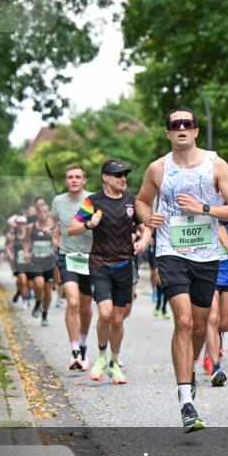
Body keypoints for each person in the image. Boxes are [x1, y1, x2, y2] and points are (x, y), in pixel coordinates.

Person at [135, 107, 228, 433]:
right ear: (168, 132)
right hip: (170, 252)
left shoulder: (216, 164)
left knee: (199, 327)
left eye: (187, 124)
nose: (181, 129)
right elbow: (142, 200)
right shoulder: (158, 168)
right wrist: (146, 217)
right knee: (182, 320)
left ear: (196, 131)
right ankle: (186, 400)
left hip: (207, 254)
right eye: (174, 125)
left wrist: (205, 208)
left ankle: (191, 372)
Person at [68, 159, 152, 385]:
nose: (123, 178)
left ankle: (114, 362)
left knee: (117, 319)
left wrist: (143, 241)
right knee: (104, 314)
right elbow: (71, 228)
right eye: (117, 175)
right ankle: (101, 357)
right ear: (105, 177)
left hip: (124, 265)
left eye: (124, 175)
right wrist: (88, 224)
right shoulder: (92, 201)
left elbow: (147, 227)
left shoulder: (131, 201)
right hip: (99, 265)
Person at [51, 164, 95, 370]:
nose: (74, 180)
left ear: (84, 180)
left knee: (86, 307)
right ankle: (75, 350)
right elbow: (54, 224)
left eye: (78, 177)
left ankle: (84, 344)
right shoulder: (58, 201)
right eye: (70, 177)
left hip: (90, 258)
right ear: (65, 180)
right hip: (67, 256)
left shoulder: (93, 200)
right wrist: (53, 235)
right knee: (73, 302)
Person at [204, 218, 228, 386]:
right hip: (208, 273)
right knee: (212, 318)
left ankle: (212, 345)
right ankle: (215, 365)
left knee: (225, 324)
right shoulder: (207, 212)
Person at [28, 205, 57, 325]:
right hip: (36, 261)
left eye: (45, 212)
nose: (43, 214)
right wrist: (26, 252)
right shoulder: (31, 227)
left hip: (49, 262)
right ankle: (38, 302)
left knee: (48, 290)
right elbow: (26, 242)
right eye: (40, 212)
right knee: (39, 284)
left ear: (48, 213)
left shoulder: (53, 227)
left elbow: (57, 242)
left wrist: (52, 237)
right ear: (37, 213)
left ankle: (44, 315)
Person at [6, 216, 32, 305]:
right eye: (19, 224)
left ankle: (18, 292)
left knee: (29, 283)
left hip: (29, 262)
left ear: (26, 224)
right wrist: (10, 254)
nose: (21, 226)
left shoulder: (30, 235)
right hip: (18, 262)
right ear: (16, 225)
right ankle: (25, 300)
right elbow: (8, 247)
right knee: (22, 280)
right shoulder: (13, 236)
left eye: (23, 224)